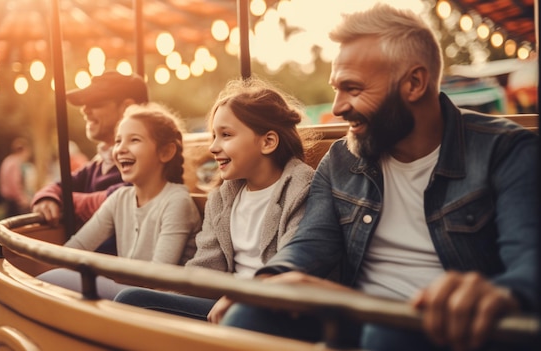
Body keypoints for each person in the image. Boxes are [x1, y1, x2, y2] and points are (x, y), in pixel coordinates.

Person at [219, 4, 539, 351]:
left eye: (352, 88)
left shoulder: (507, 151)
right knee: (247, 315)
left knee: (390, 335)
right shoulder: (340, 159)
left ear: (414, 83)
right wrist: (265, 282)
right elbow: (309, 246)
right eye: (336, 88)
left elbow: (529, 270)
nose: (338, 106)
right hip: (359, 322)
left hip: (454, 334)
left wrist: (500, 295)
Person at [113, 78, 315, 323]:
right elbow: (205, 267)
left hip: (276, 309)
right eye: (213, 136)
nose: (213, 147)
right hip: (226, 302)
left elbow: (293, 267)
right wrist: (170, 297)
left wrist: (240, 297)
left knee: (239, 316)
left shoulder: (300, 189)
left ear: (268, 142)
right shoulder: (223, 197)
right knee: (132, 300)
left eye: (226, 135)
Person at [37, 103, 202, 299]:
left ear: (165, 152)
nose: (121, 149)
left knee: (52, 280)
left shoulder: (176, 201)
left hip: (160, 301)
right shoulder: (120, 199)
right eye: (118, 141)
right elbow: (73, 250)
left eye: (134, 140)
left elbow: (157, 279)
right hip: (132, 294)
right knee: (54, 280)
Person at [31, 71, 148, 254]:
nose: (85, 110)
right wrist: (47, 197)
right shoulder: (99, 164)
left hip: (120, 269)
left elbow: (113, 200)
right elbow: (62, 186)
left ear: (127, 109)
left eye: (96, 103)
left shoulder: (144, 162)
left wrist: (65, 201)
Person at [0, 137, 34, 217]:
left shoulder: (7, 160)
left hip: (7, 198)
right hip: (13, 201)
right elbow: (15, 183)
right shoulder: (15, 163)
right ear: (24, 150)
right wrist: (22, 199)